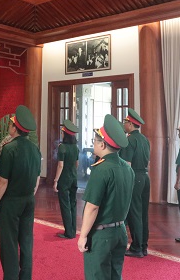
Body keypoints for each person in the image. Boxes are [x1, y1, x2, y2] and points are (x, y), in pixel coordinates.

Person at [77, 114, 134, 280]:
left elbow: (92, 207)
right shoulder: (127, 169)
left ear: (102, 144)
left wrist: (83, 235)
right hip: (120, 231)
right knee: (115, 275)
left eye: (94, 141)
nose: (93, 144)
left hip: (102, 235)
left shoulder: (101, 169)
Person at [0, 105, 41, 280]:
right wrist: (29, 195)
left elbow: (3, 181)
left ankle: (11, 277)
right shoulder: (35, 149)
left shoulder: (9, 149)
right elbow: (37, 178)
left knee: (9, 242)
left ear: (14, 128)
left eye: (11, 124)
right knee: (26, 241)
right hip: (29, 200)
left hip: (11, 202)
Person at [120, 108, 151, 258]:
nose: (124, 124)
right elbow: (148, 162)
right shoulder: (144, 139)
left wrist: (124, 183)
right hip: (145, 177)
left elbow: (127, 164)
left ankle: (136, 247)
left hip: (134, 177)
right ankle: (143, 245)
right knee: (143, 213)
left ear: (131, 124)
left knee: (134, 213)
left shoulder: (129, 140)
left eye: (125, 122)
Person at [53, 119, 80, 239]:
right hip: (74, 178)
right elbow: (77, 164)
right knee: (73, 203)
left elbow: (60, 165)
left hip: (64, 179)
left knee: (65, 205)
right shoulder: (76, 147)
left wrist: (55, 180)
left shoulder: (62, 147)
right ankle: (73, 230)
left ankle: (68, 232)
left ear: (65, 134)